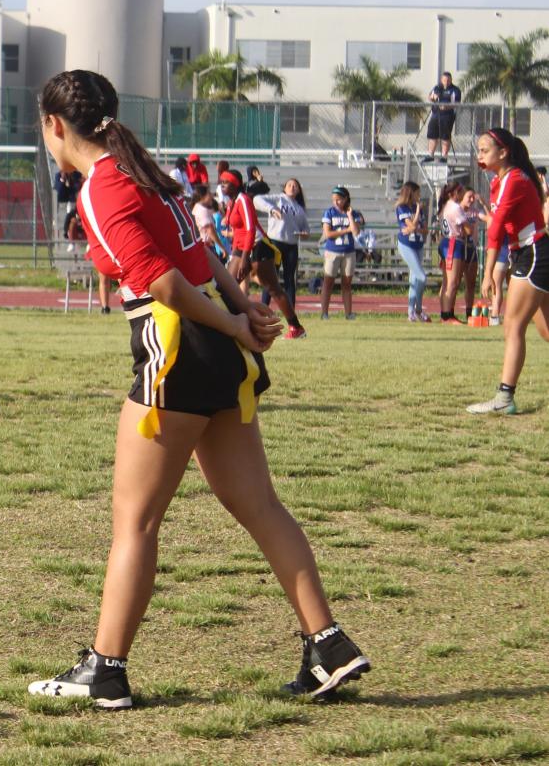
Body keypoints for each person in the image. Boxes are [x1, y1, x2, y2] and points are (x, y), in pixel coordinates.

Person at [27, 69, 367, 709]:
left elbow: (160, 283)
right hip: (216, 345)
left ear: (54, 125)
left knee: (135, 521)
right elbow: (203, 255)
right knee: (261, 506)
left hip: (178, 346)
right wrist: (242, 316)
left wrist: (239, 318)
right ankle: (328, 645)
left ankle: (105, 669)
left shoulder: (102, 185)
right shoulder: (143, 171)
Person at [467, 128, 549, 415]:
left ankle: (504, 397)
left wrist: (488, 273)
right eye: (478, 149)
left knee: (512, 326)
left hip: (534, 253)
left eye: (485, 149)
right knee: (547, 332)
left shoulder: (513, 179)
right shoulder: (500, 181)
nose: (480, 154)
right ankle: (505, 398)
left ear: (503, 153)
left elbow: (497, 228)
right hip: (528, 253)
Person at [222, 171, 306, 339]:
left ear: (236, 184)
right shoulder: (232, 202)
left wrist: (245, 257)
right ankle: (227, 326)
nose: (222, 185)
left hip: (257, 246)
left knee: (274, 289)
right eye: (222, 182)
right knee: (226, 289)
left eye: (226, 182)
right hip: (242, 248)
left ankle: (296, 327)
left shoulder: (243, 200)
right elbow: (237, 229)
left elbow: (251, 229)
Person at [257, 179, 308, 309]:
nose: (292, 187)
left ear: (298, 190)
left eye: (295, 186)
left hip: (291, 246)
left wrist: (304, 233)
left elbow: (306, 228)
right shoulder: (278, 199)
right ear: (284, 188)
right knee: (270, 278)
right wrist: (272, 209)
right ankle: (264, 308)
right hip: (275, 243)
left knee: (289, 279)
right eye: (289, 185)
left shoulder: (299, 208)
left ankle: (291, 311)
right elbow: (256, 199)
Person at [436, 183, 478, 324]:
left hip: (447, 242)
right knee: (452, 282)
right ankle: (447, 315)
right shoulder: (455, 207)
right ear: (452, 194)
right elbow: (468, 230)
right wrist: (471, 225)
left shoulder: (445, 206)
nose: (461, 193)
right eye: (459, 191)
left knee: (447, 282)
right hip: (454, 243)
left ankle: (446, 314)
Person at [320, 186, 363, 320]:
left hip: (349, 252)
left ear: (345, 199)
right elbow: (328, 234)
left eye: (339, 199)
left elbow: (356, 232)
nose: (336, 202)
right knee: (328, 283)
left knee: (347, 284)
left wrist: (349, 216)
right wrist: (346, 230)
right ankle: (324, 313)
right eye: (334, 199)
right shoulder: (329, 213)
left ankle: (348, 313)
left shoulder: (353, 213)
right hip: (332, 251)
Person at [395, 182, 431, 322]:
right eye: (417, 193)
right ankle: (418, 309)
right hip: (406, 244)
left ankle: (411, 313)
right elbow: (412, 225)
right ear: (411, 193)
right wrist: (416, 215)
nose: (419, 196)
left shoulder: (418, 209)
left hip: (418, 244)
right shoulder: (401, 208)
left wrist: (415, 228)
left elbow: (424, 230)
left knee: (415, 279)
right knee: (422, 277)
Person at [425, 72, 462, 162]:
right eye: (444, 80)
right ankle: (430, 155)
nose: (446, 82)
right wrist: (432, 97)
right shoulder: (437, 88)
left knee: (445, 136)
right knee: (432, 135)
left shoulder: (455, 90)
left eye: (448, 80)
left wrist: (446, 106)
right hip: (435, 114)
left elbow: (456, 103)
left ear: (451, 80)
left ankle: (444, 156)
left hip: (447, 116)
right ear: (441, 80)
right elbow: (430, 97)